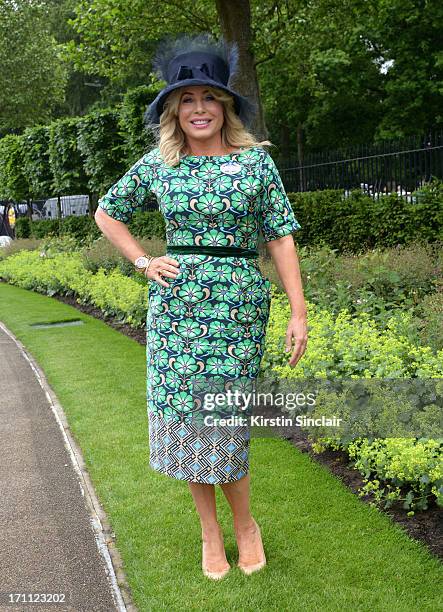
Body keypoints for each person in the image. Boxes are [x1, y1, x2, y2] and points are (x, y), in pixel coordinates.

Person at [94, 33, 308, 580]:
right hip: (176, 306)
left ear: (226, 106)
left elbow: (281, 238)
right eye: (186, 99)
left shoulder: (255, 165)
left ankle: (245, 526)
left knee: (225, 419)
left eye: (209, 98)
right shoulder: (158, 164)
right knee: (187, 421)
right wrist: (144, 261)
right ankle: (210, 533)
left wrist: (298, 311)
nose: (198, 109)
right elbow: (107, 213)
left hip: (237, 303)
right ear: (173, 109)